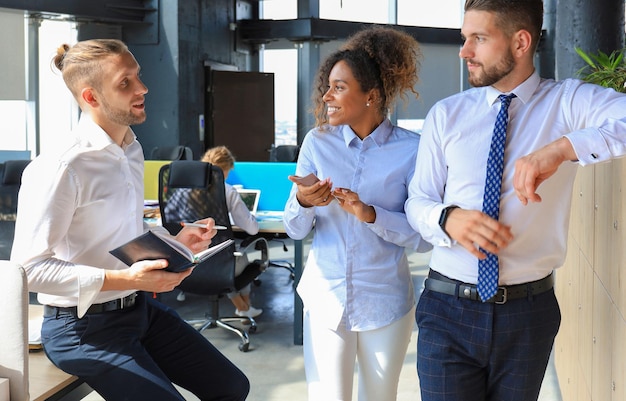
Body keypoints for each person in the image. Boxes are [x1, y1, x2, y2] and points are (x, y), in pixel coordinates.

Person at [405, 1, 626, 400]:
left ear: (521, 42)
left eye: (479, 38)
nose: (464, 51)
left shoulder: (567, 104)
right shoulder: (446, 115)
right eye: (464, 38)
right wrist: (446, 217)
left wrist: (563, 147)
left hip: (528, 313)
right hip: (447, 306)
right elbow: (417, 200)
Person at [10, 39, 249, 401]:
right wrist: (124, 278)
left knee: (232, 387)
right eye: (126, 83)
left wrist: (176, 242)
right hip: (80, 327)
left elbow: (125, 233)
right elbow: (28, 270)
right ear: (91, 97)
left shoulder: (130, 150)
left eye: (138, 76)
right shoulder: (60, 167)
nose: (143, 88)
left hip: (137, 311)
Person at [283, 26, 432, 401]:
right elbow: (294, 229)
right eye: (328, 86)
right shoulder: (317, 143)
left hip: (385, 299)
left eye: (339, 87)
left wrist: (370, 214)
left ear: (372, 95)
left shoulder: (412, 151)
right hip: (325, 294)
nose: (326, 96)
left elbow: (423, 237)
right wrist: (304, 202)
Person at [171, 145, 263, 318]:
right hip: (218, 265)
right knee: (238, 257)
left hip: (187, 261)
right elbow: (252, 229)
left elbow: (168, 223)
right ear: (225, 170)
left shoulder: (181, 191)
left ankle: (244, 308)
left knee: (229, 259)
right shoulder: (227, 191)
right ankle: (244, 309)